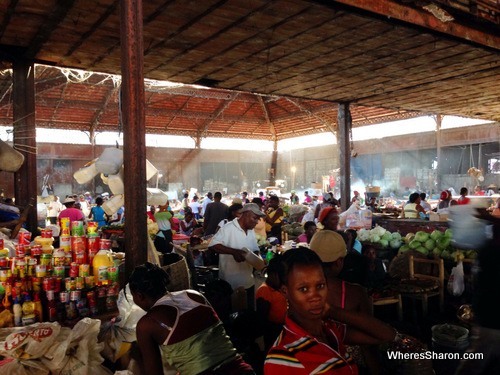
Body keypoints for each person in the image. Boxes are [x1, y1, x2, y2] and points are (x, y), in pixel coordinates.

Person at [264, 247, 395, 375]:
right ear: (285, 291)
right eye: (303, 289)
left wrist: (333, 311)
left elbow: (386, 335)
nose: (315, 297)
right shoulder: (282, 358)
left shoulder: (329, 329)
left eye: (320, 286)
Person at [129, 262, 255, 375]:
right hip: (241, 370)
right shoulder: (194, 295)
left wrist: (138, 357)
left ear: (139, 295)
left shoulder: (147, 324)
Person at [209, 203, 266, 310]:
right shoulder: (228, 228)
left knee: (247, 315)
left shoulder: (251, 231)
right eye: (255, 218)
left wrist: (258, 259)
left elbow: (254, 249)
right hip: (231, 283)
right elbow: (213, 245)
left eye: (258, 219)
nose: (257, 221)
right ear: (246, 214)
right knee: (234, 315)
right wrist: (234, 252)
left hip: (249, 281)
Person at [256, 256, 287, 350]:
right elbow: (262, 319)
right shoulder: (264, 291)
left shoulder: (278, 287)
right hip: (273, 330)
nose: (284, 280)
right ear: (273, 275)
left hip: (283, 327)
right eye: (282, 277)